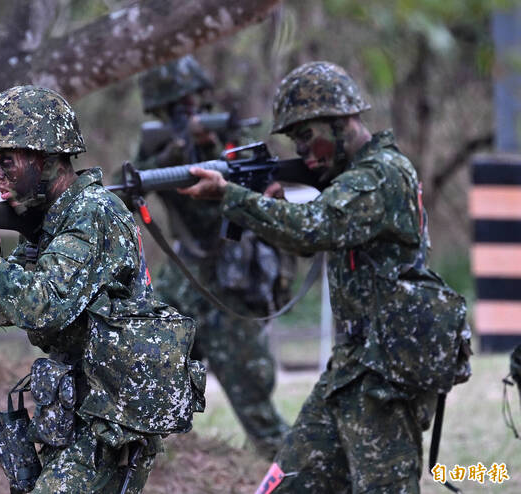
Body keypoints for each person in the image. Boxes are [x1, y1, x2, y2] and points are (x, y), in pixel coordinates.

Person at [179, 61, 471, 492]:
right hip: (349, 370)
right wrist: (266, 202)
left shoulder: (380, 174)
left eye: (305, 135)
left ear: (340, 122)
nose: (302, 152)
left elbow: (316, 226)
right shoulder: (348, 180)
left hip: (384, 377)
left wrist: (233, 196)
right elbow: (307, 239)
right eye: (296, 140)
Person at [0, 85, 203, 493]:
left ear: (45, 158)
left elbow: (42, 306)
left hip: (110, 419)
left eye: (7, 161)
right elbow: (7, 308)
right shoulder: (49, 220)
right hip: (76, 409)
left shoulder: (91, 214)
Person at [131, 55, 289, 457]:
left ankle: (298, 474)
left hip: (229, 280)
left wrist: (210, 148)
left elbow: (248, 188)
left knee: (255, 404)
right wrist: (172, 154)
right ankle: (158, 463)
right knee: (141, 370)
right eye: (179, 107)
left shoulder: (227, 141)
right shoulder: (158, 143)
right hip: (184, 279)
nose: (190, 111)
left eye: (194, 102)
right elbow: (134, 179)